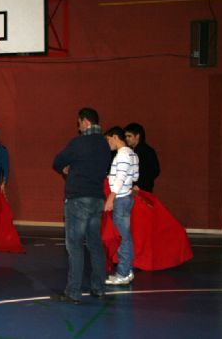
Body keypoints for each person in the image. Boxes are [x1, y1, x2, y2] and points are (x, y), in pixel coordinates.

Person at [52, 108, 111, 304]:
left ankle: (73, 292)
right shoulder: (104, 144)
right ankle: (99, 287)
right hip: (97, 199)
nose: (78, 127)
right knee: (95, 245)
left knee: (75, 245)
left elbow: (58, 161)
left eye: (78, 123)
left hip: (78, 198)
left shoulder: (78, 143)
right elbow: (104, 168)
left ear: (85, 122)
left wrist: (67, 168)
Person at [104, 126, 140, 285]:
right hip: (126, 197)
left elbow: (120, 176)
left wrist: (111, 197)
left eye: (108, 140)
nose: (108, 143)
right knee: (126, 236)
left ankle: (123, 274)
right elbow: (136, 175)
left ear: (115, 137)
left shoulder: (123, 154)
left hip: (120, 198)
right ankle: (127, 271)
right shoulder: (132, 153)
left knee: (123, 238)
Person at [124, 122, 159, 193]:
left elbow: (154, 170)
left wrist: (139, 185)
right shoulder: (132, 151)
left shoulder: (146, 151)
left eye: (129, 136)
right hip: (133, 190)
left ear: (137, 136)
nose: (126, 139)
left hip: (142, 191)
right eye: (126, 136)